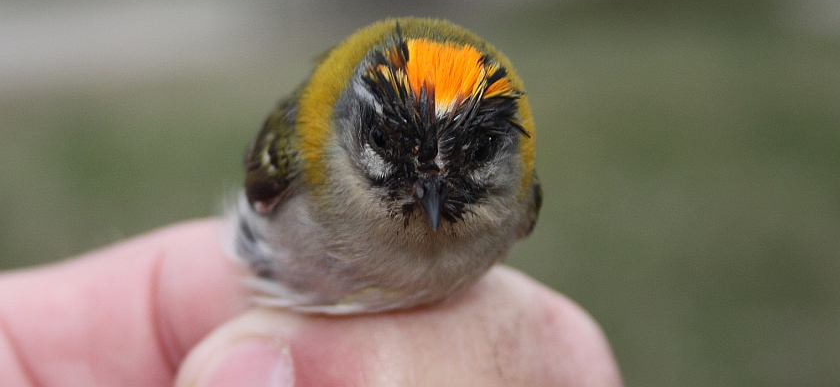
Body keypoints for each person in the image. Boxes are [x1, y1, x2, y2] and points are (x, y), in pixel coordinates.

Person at [0, 219, 622, 386]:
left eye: (472, 166)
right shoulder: (303, 163)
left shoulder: (510, 208)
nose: (431, 198)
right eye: (389, 150)